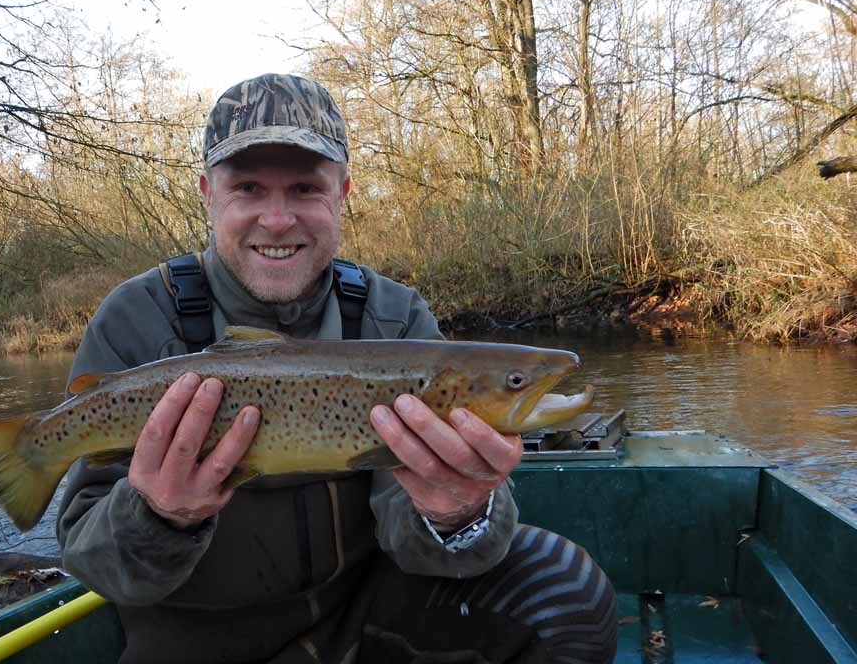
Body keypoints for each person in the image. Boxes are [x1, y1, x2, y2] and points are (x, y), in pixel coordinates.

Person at [55, 73, 617, 664]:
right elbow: (95, 564)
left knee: (566, 590)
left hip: (361, 623)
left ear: (342, 192)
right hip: (195, 644)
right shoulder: (136, 319)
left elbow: (416, 544)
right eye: (248, 187)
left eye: (304, 188)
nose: (277, 219)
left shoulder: (394, 317)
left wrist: (457, 514)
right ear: (207, 193)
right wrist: (159, 517)